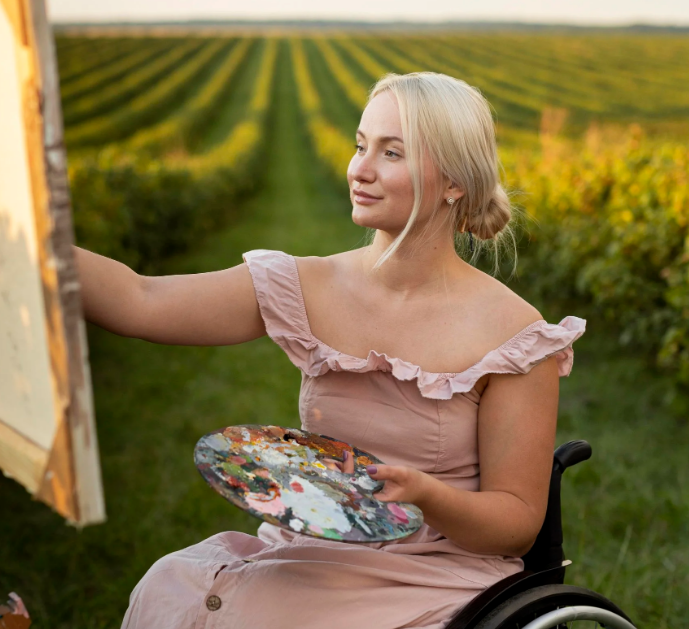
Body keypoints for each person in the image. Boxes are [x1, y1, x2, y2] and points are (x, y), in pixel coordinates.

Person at [74, 71, 585, 629]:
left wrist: (426, 495)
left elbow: (516, 524)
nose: (360, 169)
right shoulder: (304, 285)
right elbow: (140, 301)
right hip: (317, 551)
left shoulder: (514, 335)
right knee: (170, 586)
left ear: (454, 182)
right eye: (361, 145)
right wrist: (28, 240)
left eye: (392, 152)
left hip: (432, 576)